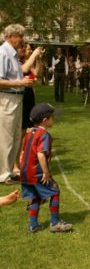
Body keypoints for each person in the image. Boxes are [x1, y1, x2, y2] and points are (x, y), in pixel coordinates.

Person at [20, 103, 73, 232]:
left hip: (25, 172)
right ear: (45, 120)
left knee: (36, 196)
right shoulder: (44, 135)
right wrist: (45, 172)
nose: (53, 119)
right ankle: (55, 223)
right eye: (52, 117)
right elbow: (40, 154)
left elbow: (23, 151)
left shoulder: (29, 133)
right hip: (37, 172)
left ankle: (33, 225)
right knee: (55, 191)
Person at [0, 24, 36, 185]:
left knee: (15, 137)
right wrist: (20, 82)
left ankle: (10, 171)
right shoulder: (3, 53)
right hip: (7, 98)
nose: (21, 39)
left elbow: (20, 71)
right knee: (6, 137)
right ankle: (3, 174)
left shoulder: (12, 54)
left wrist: (23, 81)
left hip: (17, 98)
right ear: (10, 36)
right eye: (19, 36)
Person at [13, 43, 44, 174]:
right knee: (18, 133)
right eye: (28, 49)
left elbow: (38, 73)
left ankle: (19, 160)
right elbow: (22, 70)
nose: (30, 51)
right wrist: (34, 55)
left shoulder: (26, 61)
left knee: (24, 130)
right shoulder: (16, 61)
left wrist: (38, 58)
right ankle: (15, 165)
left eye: (31, 49)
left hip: (29, 96)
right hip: (20, 97)